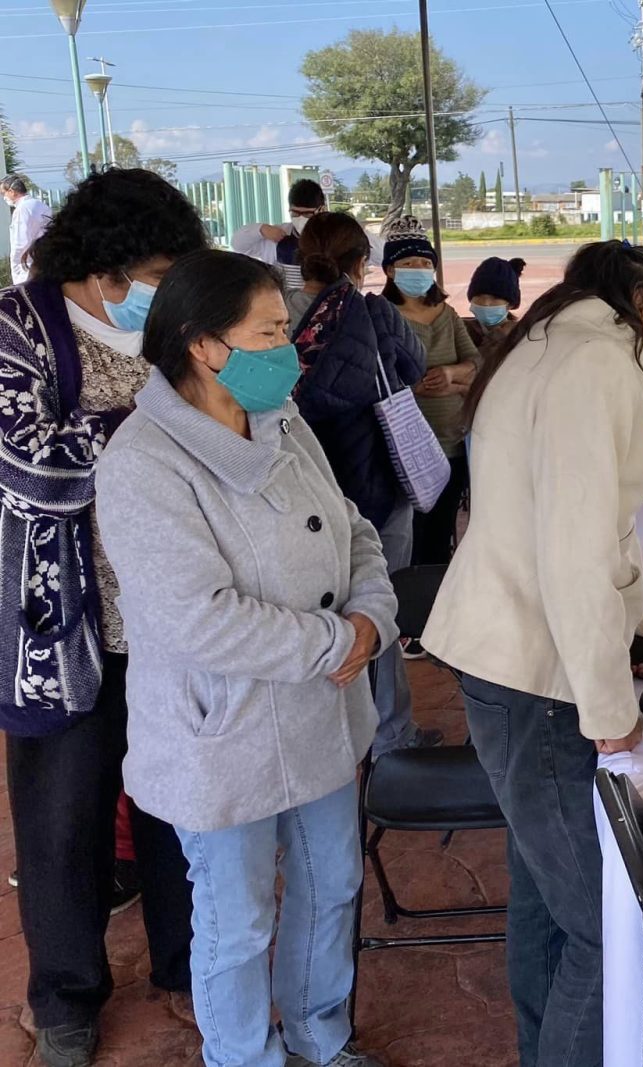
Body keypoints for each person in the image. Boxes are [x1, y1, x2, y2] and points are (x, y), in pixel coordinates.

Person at [97, 249, 395, 1067]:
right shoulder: (144, 462)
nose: (287, 349)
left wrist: (372, 612)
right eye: (268, 332)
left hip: (321, 715)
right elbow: (200, 618)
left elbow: (352, 527)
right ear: (204, 344)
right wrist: (340, 642)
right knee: (237, 920)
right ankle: (244, 1056)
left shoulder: (284, 419)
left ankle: (320, 1038)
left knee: (331, 889)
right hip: (224, 732)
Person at [422, 241, 643, 1066]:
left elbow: (587, 523)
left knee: (546, 895)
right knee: (603, 925)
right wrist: (610, 708)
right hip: (536, 673)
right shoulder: (595, 361)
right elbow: (575, 552)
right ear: (642, 302)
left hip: (510, 657)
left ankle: (544, 1050)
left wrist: (638, 625)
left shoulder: (550, 342)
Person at [0, 168, 208, 1067]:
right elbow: (29, 467)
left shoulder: (165, 327)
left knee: (178, 803)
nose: (163, 288)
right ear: (108, 263)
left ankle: (190, 965)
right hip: (61, 622)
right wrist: (151, 426)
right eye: (157, 269)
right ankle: (67, 995)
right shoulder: (19, 324)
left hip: (169, 615)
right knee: (64, 818)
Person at [292, 210, 440, 755]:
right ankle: (391, 738)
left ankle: (328, 741)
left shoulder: (269, 314)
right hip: (375, 480)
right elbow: (413, 366)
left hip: (303, 491)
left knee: (310, 618)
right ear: (362, 263)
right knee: (380, 612)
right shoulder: (374, 313)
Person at [382, 215, 478, 570]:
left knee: (441, 531)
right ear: (390, 270)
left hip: (452, 444)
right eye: (409, 264)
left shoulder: (447, 314)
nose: (419, 270)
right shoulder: (382, 315)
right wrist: (413, 386)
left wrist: (452, 374)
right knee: (409, 535)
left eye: (425, 264)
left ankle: (436, 601)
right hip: (405, 451)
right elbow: (379, 379)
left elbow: (477, 362)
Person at [231, 178, 327, 292]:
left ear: (322, 210)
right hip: (283, 305)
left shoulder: (334, 237)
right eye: (295, 213)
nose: (300, 219)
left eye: (307, 214)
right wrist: (261, 229)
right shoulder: (278, 235)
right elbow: (237, 244)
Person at [464, 255, 526, 350]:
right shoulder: (460, 330)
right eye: (479, 296)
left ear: (510, 304)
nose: (485, 303)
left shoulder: (522, 334)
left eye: (495, 298)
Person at [4, 174, 52, 285]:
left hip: (29, 266)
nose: (4, 197)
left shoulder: (22, 209)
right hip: (46, 259)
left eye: (4, 193)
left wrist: (15, 265)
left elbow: (20, 242)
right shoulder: (41, 205)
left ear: (12, 191)